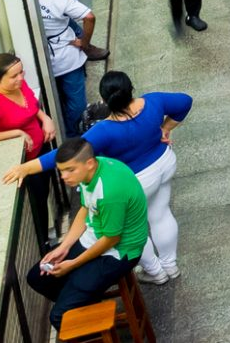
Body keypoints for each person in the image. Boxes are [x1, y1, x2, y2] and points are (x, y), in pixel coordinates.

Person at [11, 73, 192, 284]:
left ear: (105, 101)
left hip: (138, 181)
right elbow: (185, 102)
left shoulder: (104, 130)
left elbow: (66, 154)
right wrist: (165, 128)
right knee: (160, 213)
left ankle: (155, 272)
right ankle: (171, 266)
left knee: (130, 229)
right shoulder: (153, 101)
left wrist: (25, 168)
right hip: (165, 163)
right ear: (131, 89)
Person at [25, 139, 147, 327]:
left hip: (120, 252)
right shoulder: (89, 173)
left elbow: (111, 239)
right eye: (61, 170)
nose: (64, 177)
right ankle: (84, 307)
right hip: (95, 238)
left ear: (89, 163)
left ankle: (82, 312)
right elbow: (85, 208)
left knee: (59, 317)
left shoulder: (109, 191)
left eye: (69, 170)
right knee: (37, 277)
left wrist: (72, 265)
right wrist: (64, 247)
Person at [0, 52, 58, 236]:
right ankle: (43, 243)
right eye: (13, 76)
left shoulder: (20, 85)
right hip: (25, 163)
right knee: (37, 204)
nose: (20, 78)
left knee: (44, 195)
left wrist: (45, 119)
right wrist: (16, 132)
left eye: (21, 72)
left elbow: (32, 107)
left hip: (41, 150)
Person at [38, 0, 97, 134]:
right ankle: (75, 134)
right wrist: (85, 42)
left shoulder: (18, 2)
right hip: (67, 57)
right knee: (76, 102)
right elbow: (89, 17)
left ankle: (63, 133)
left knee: (54, 101)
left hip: (39, 62)